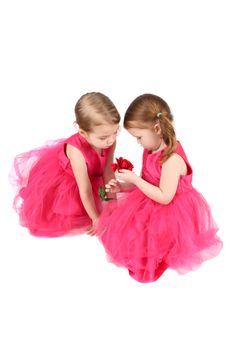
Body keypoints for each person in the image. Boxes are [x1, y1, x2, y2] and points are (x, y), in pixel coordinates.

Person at [97, 93, 222, 283]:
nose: (138, 142)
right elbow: (146, 179)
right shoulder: (150, 150)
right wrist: (122, 187)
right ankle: (147, 256)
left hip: (171, 208)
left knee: (149, 233)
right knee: (132, 230)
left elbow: (165, 197)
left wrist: (136, 181)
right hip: (152, 198)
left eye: (139, 137)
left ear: (156, 128)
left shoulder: (172, 159)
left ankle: (161, 255)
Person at [11, 92, 120, 237]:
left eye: (115, 132)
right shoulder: (76, 151)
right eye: (104, 137)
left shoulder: (110, 141)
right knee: (68, 213)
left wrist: (113, 203)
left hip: (93, 173)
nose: (111, 140)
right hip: (72, 181)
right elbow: (85, 189)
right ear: (82, 132)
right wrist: (96, 218)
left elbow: (108, 171)